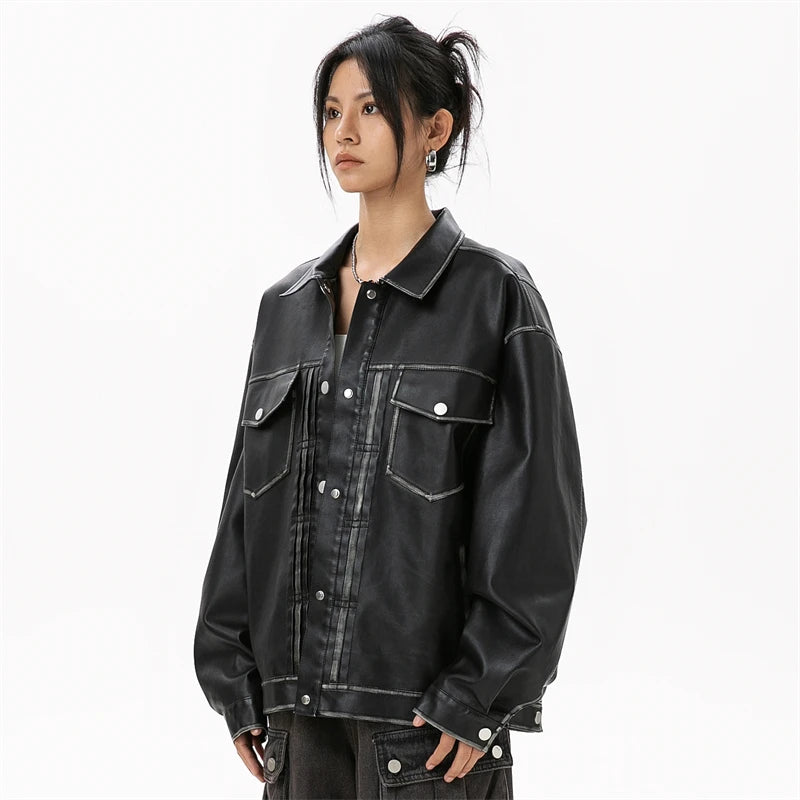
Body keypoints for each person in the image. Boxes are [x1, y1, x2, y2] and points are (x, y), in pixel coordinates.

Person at [194, 14, 588, 800]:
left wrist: (479, 696)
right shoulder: (285, 309)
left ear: (435, 129)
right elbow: (244, 509)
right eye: (332, 111)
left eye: (371, 108)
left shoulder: (495, 299)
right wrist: (233, 679)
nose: (344, 131)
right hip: (293, 728)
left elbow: (538, 520)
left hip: (428, 738)